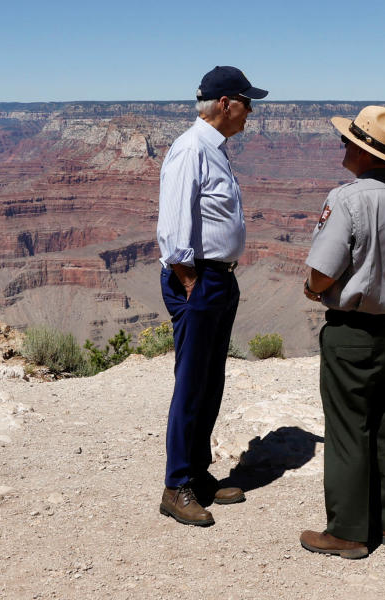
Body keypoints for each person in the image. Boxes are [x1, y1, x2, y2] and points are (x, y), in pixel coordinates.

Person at [299, 105, 385, 558]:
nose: (342, 146)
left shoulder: (348, 199)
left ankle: (348, 533)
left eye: (348, 140)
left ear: (363, 150)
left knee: (348, 427)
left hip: (350, 331)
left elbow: (321, 271)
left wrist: (314, 290)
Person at [156, 66, 268, 526]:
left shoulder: (214, 148)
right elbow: (174, 223)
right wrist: (190, 283)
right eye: (248, 103)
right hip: (198, 278)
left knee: (210, 381)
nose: (251, 113)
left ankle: (198, 474)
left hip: (217, 277)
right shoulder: (191, 149)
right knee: (191, 385)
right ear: (226, 103)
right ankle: (175, 486)